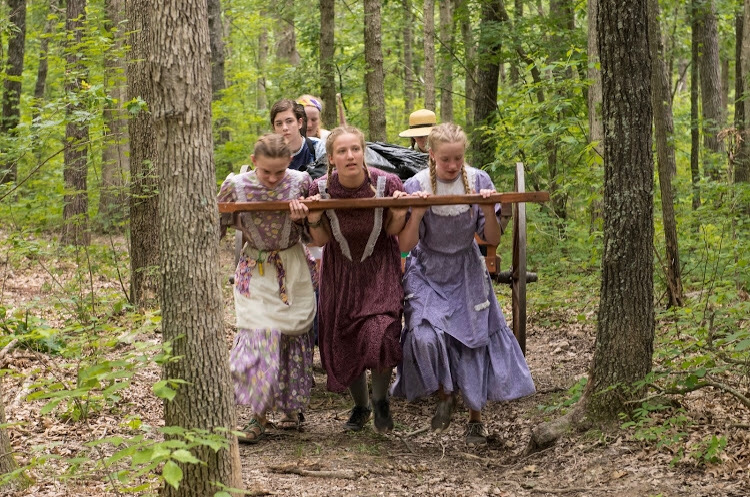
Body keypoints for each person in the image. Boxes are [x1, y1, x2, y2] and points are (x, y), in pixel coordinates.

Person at [390, 122, 535, 445]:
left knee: (472, 338)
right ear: (431, 154)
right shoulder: (416, 184)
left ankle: (475, 418)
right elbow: (407, 245)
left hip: (466, 267)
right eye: (446, 160)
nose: (453, 166)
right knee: (425, 335)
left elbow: (492, 238)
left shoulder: (479, 179)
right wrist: (417, 213)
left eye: (458, 158)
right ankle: (443, 393)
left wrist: (487, 207)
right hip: (427, 268)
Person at [292, 126, 410, 434]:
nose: (350, 156)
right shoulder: (319, 188)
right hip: (339, 274)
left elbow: (396, 231)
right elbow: (319, 239)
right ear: (331, 158)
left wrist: (398, 211)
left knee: (381, 332)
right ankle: (361, 407)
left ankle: (381, 400)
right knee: (345, 338)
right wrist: (313, 216)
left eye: (355, 149)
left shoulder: (388, 183)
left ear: (364, 152)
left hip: (379, 270)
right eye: (342, 151)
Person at [218, 133, 317, 443]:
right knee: (257, 332)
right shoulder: (236, 186)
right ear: (254, 162)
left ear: (290, 162)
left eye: (279, 171)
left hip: (292, 264)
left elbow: (314, 232)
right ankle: (257, 415)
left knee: (290, 334)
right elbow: (216, 227)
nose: (273, 178)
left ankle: (290, 407)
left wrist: (306, 216)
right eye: (266, 172)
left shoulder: (301, 182)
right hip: (254, 266)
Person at [270, 99, 316, 172]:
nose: (284, 128)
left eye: (289, 121)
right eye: (279, 124)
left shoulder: (316, 147)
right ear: (274, 128)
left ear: (299, 123)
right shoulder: (269, 154)